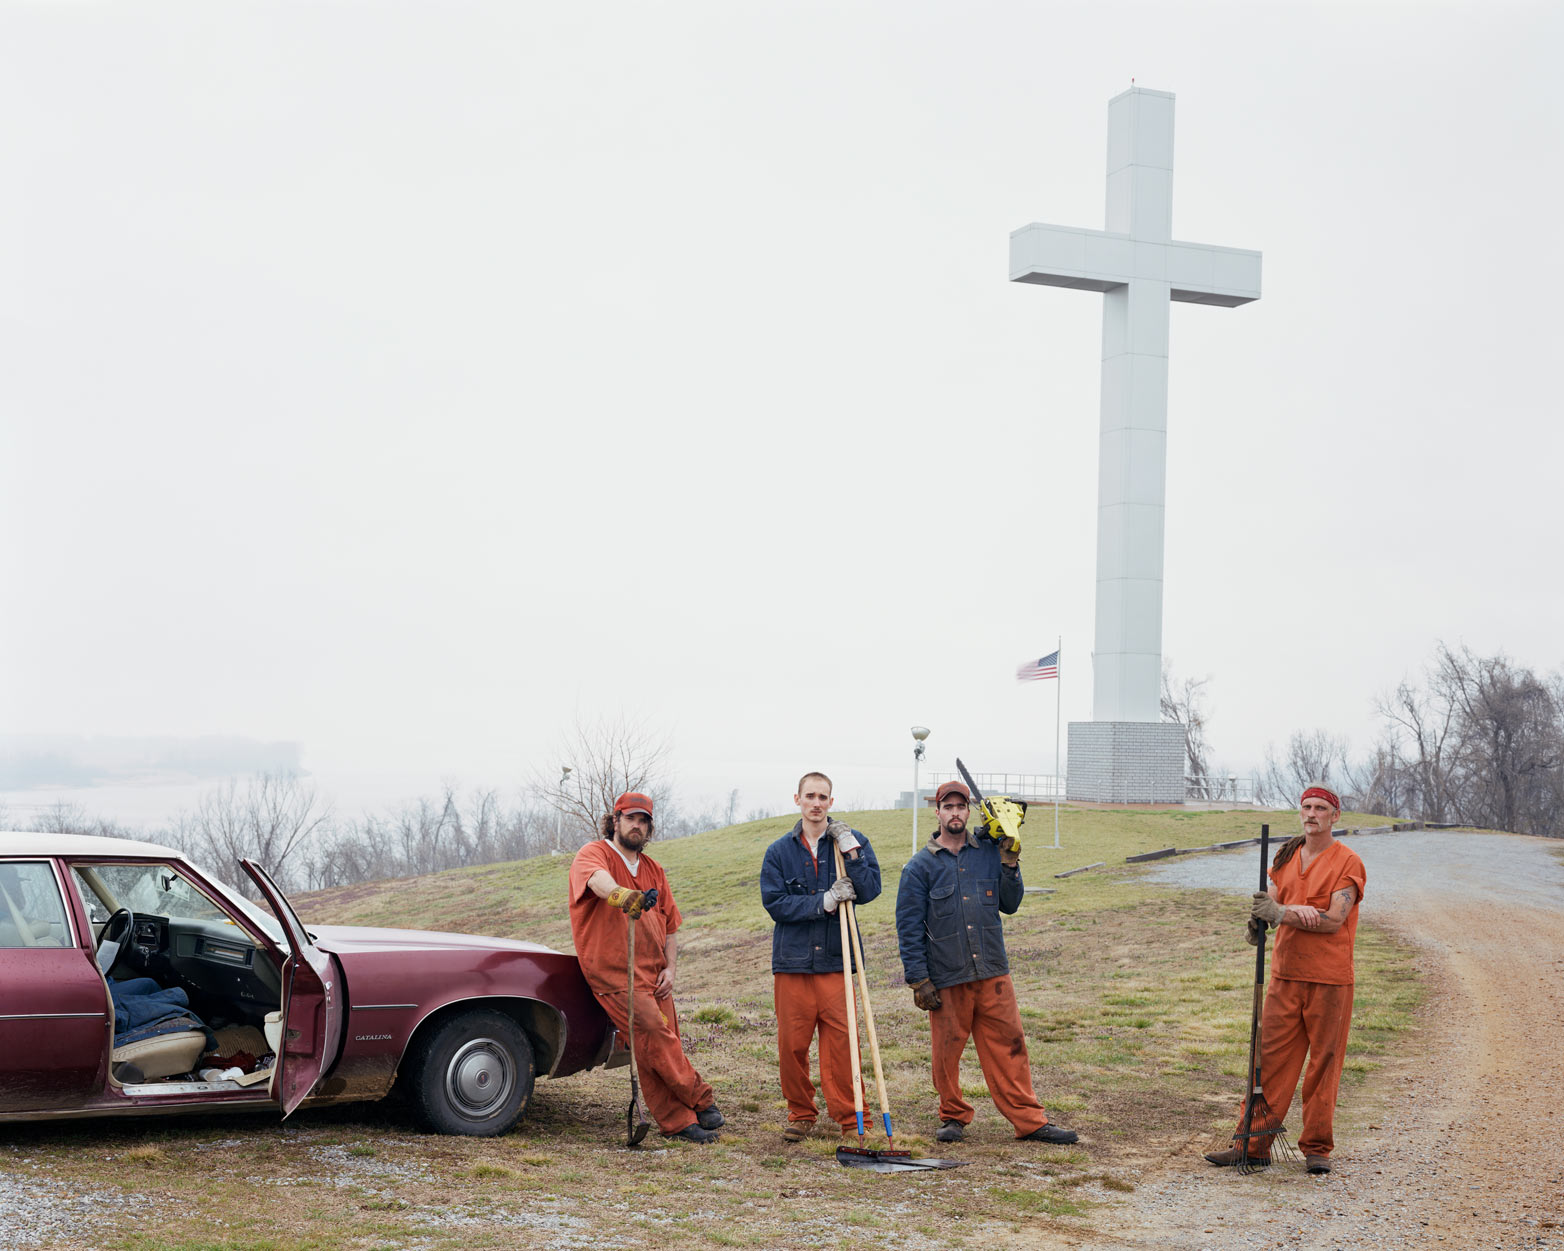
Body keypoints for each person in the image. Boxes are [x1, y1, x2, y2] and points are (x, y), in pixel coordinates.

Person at [894, 779, 1077, 1145]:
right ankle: (953, 1116)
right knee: (946, 1054)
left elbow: (1010, 904)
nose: (956, 813)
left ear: (969, 811)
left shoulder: (990, 852)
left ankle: (1030, 1121)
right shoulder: (919, 868)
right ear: (939, 812)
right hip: (947, 976)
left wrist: (1010, 862)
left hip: (993, 971)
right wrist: (918, 980)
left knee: (1011, 1046)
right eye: (949, 807)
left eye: (961, 807)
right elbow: (908, 928)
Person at [1205, 784, 1366, 1176]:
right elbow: (1272, 901)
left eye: (1320, 808)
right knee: (1268, 1062)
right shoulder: (1285, 855)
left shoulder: (1349, 862)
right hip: (1285, 975)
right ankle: (1253, 1145)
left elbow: (1332, 920)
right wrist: (1260, 920)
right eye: (1306, 807)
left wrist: (1284, 913)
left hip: (1329, 979)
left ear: (1335, 816)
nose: (1312, 814)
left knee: (1324, 1063)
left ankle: (1317, 1148)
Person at [568, 791, 723, 1143]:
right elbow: (597, 881)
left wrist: (671, 969)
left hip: (655, 973)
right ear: (616, 819)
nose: (637, 825)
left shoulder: (654, 870)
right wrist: (623, 896)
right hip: (614, 971)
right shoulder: (595, 854)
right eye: (631, 818)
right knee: (653, 1033)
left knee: (659, 1044)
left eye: (644, 821)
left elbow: (670, 926)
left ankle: (678, 1123)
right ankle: (700, 1098)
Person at [759, 771, 882, 1141]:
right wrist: (824, 901)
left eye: (823, 797)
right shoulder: (779, 851)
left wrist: (851, 851)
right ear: (797, 800)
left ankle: (851, 1116)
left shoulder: (852, 842)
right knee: (792, 1046)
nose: (816, 803)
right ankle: (801, 1113)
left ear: (832, 801)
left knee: (843, 1045)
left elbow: (871, 889)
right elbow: (776, 904)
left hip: (836, 961)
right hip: (793, 964)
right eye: (809, 796)